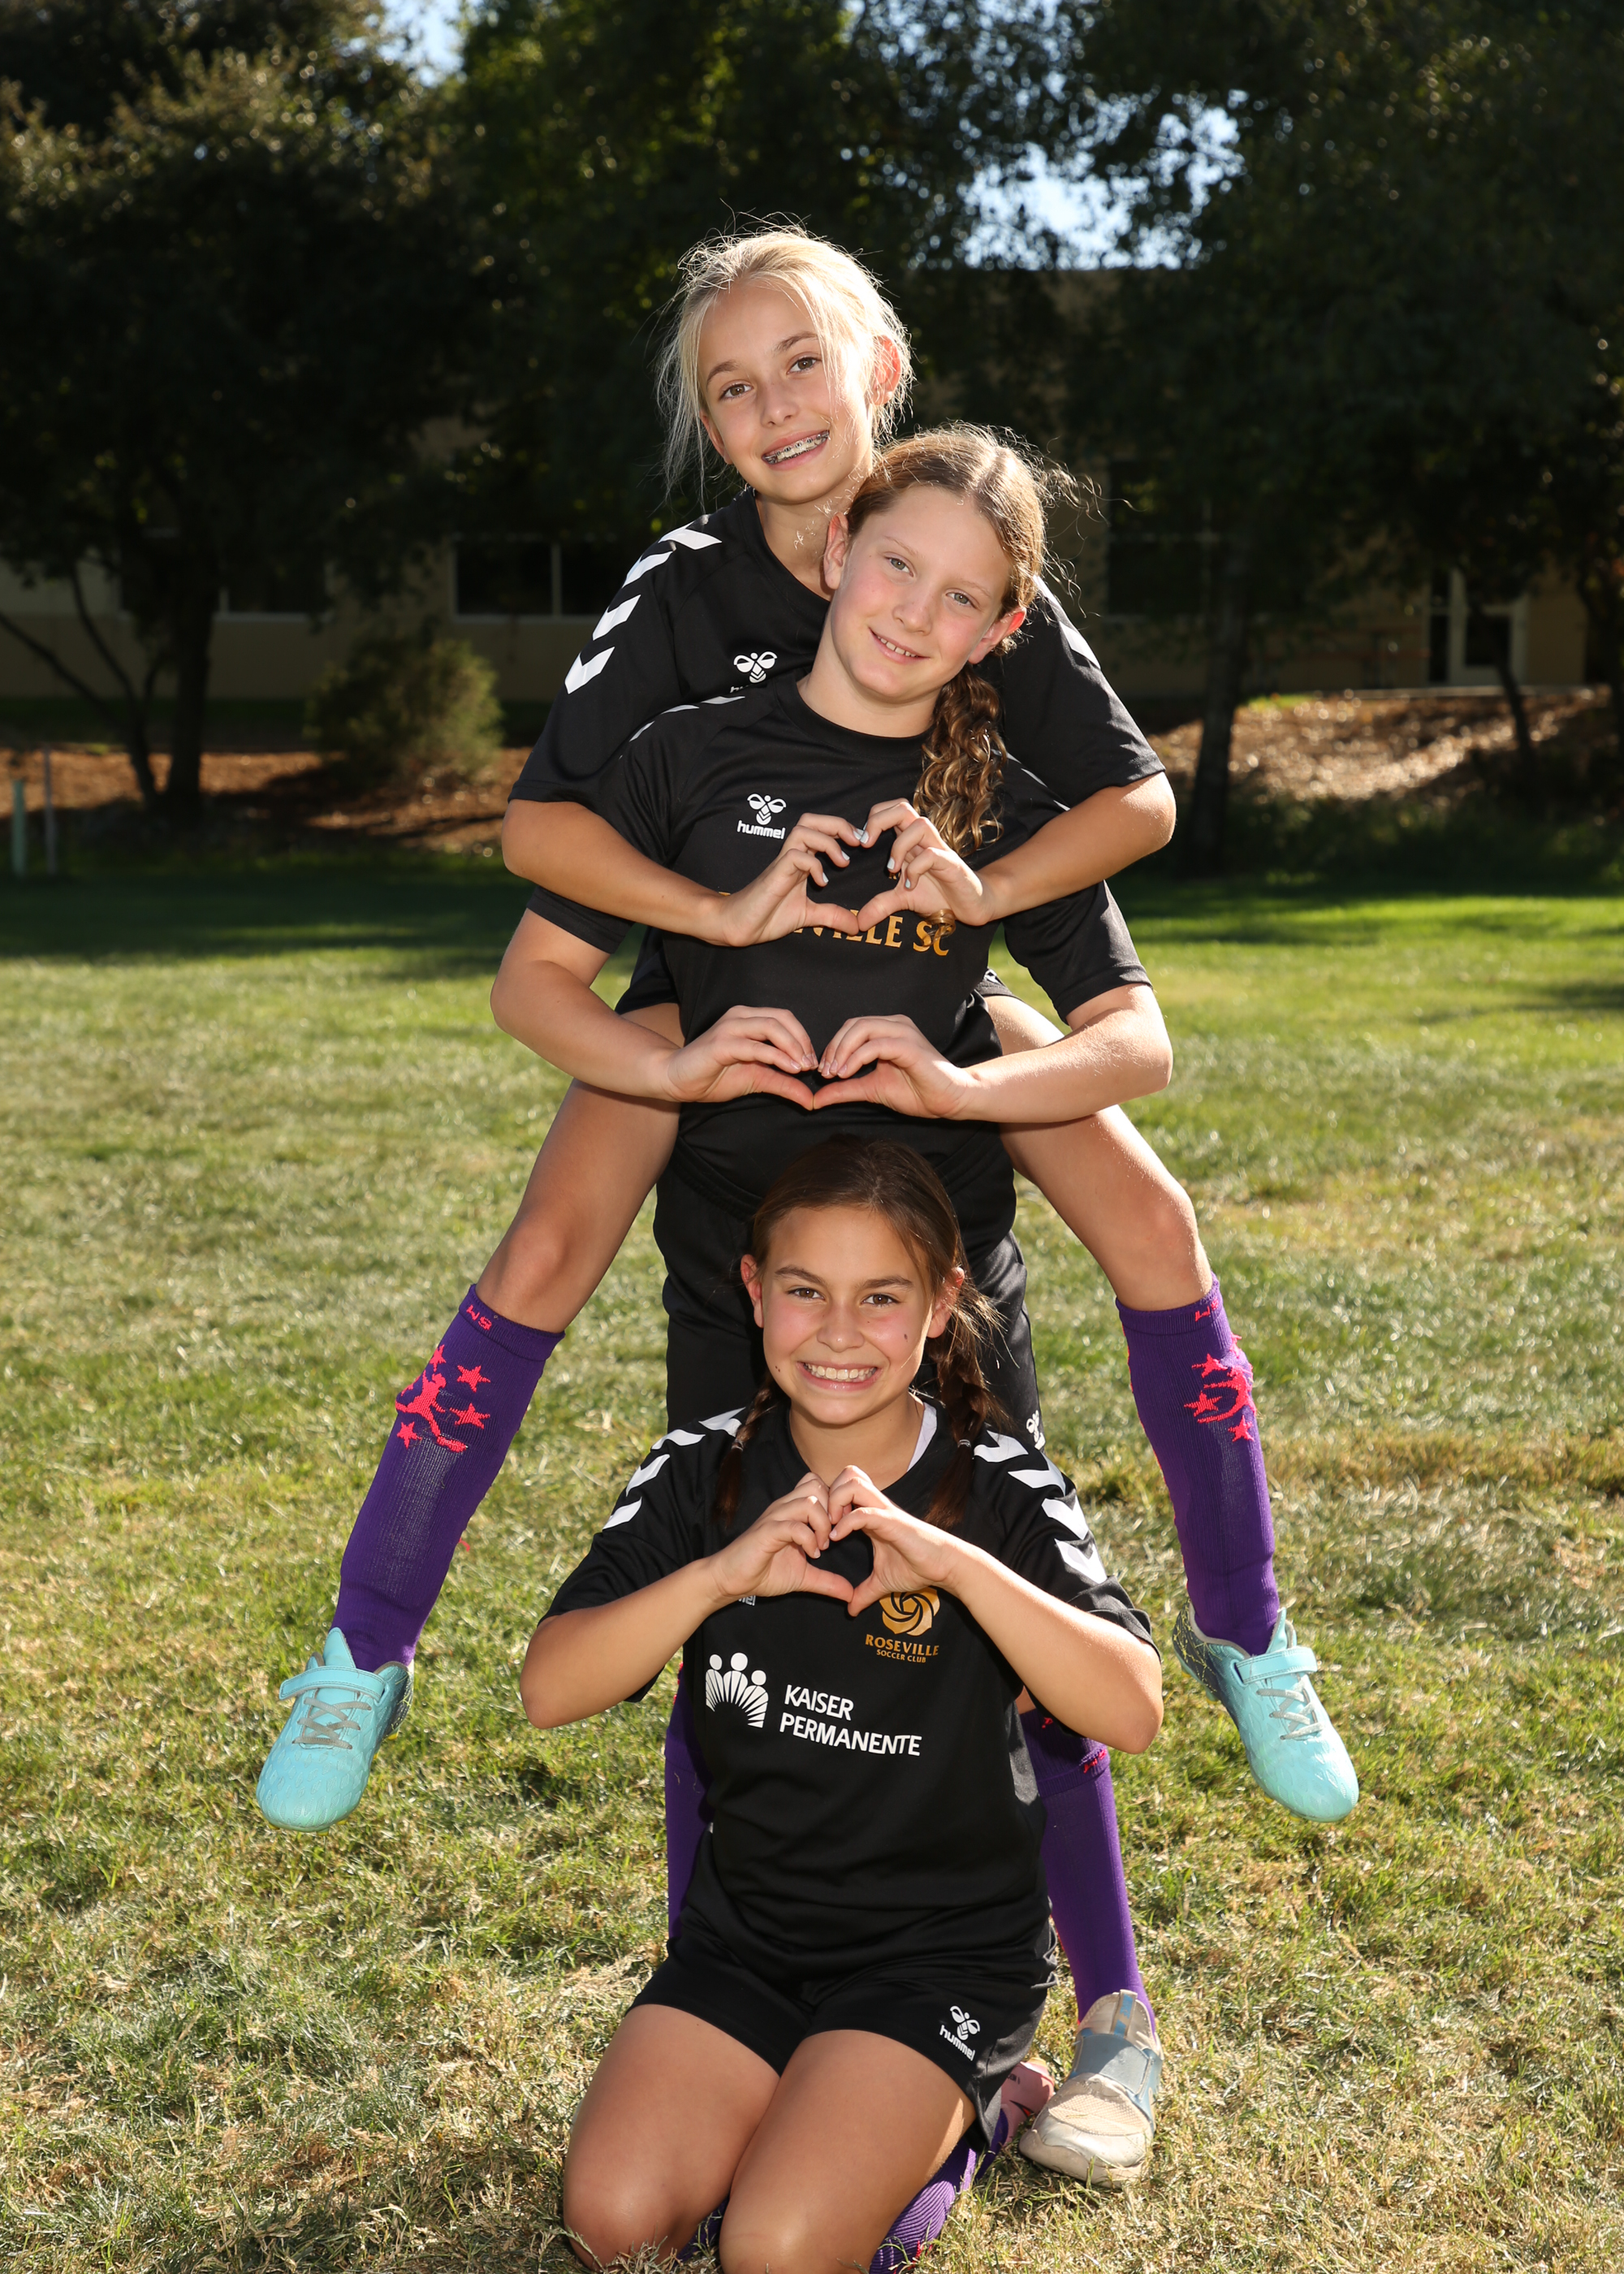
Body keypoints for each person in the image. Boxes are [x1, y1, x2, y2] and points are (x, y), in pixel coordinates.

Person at [523, 1136, 1164, 2274]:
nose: (837, 1332)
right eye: (805, 1290)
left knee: (773, 2249)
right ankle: (823, 2104)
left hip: (941, 1958)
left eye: (880, 1298)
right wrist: (719, 1577)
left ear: (941, 1305)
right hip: (748, 1941)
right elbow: (551, 1686)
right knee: (613, 2223)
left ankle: (973, 2116)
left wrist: (959, 1568)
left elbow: (1130, 1707)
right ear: (753, 1290)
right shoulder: (702, 1467)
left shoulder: (997, 1481)